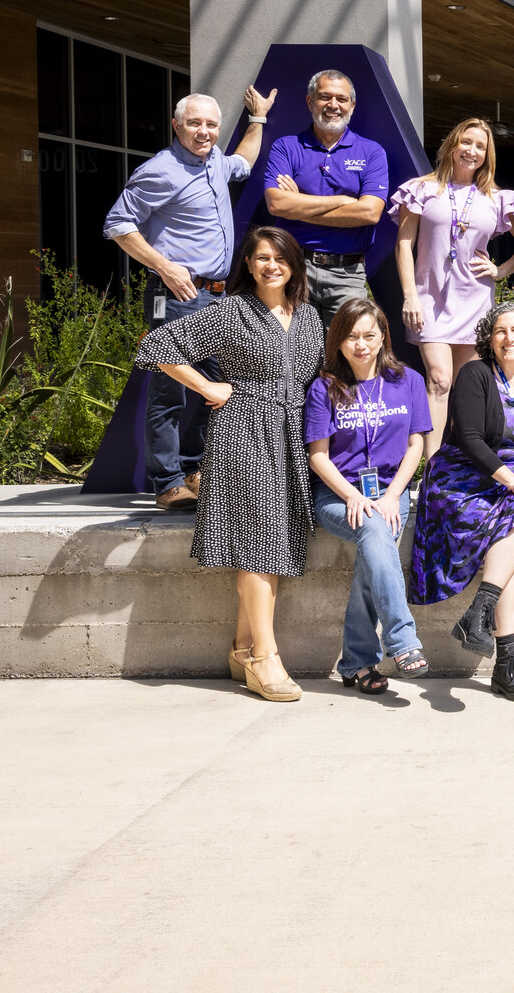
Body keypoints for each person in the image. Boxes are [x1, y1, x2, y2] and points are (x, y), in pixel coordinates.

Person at [134, 227, 325, 702]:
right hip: (242, 437)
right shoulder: (231, 312)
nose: (270, 266)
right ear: (248, 264)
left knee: (274, 547)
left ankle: (242, 648)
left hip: (290, 440)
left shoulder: (309, 317)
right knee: (258, 548)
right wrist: (207, 388)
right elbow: (157, 345)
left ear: (294, 264)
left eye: (279, 257)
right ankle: (266, 658)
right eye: (260, 258)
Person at [106, 86, 278, 511]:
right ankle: (167, 483)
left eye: (211, 124)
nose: (204, 131)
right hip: (178, 295)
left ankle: (194, 470)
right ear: (176, 125)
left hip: (219, 297)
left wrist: (257, 120)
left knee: (219, 386)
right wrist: (164, 266)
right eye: (195, 123)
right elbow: (117, 224)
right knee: (170, 391)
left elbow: (244, 161)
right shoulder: (160, 170)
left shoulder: (216, 161)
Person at [410, 304, 514, 703]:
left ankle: (484, 618)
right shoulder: (475, 375)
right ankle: (506, 659)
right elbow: (470, 439)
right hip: (463, 475)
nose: (509, 338)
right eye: (500, 331)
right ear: (489, 340)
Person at [304, 299, 432, 695]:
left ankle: (357, 663)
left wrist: (394, 495)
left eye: (369, 335)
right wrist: (352, 496)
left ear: (382, 338)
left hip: (391, 492)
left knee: (375, 541)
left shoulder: (407, 380)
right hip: (337, 496)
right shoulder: (324, 386)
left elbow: (416, 446)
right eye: (351, 336)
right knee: (376, 530)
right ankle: (402, 640)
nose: (361, 345)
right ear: (338, 340)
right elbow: (318, 457)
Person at [391, 117, 514, 456]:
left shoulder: (497, 199)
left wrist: (501, 270)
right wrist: (410, 295)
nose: (472, 151)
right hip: (430, 299)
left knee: (464, 387)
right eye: (466, 142)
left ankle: (461, 462)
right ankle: (432, 467)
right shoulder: (422, 189)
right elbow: (403, 245)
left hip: (475, 303)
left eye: (480, 146)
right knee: (439, 380)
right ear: (452, 145)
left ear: (488, 154)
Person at [261, 69, 391, 326]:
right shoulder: (286, 147)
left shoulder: (371, 151)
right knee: (294, 354)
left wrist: (299, 204)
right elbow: (276, 204)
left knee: (348, 353)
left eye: (341, 99)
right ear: (310, 101)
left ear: (352, 105)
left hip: (348, 274)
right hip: (294, 269)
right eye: (325, 97)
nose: (333, 105)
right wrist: (343, 201)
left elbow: (369, 213)